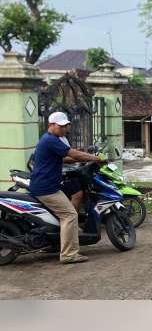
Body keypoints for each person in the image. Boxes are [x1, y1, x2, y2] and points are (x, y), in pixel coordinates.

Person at [28, 112, 107, 264]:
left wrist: (82, 160)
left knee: (73, 200)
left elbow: (65, 158)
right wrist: (96, 158)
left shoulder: (50, 139)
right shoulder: (50, 140)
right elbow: (74, 153)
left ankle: (61, 243)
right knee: (70, 215)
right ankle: (68, 254)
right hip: (47, 189)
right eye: (61, 126)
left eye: (66, 126)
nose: (64, 129)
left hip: (47, 186)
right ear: (51, 125)